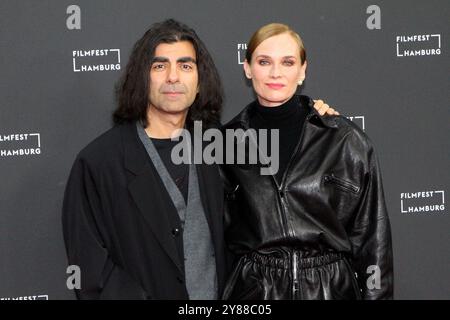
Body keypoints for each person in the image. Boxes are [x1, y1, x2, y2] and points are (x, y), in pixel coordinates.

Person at [62, 19, 337, 300]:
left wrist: (312, 115)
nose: (173, 77)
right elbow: (90, 268)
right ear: (141, 77)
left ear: (198, 80)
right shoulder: (99, 164)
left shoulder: (221, 146)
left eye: (185, 65)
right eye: (159, 66)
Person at [221, 23, 393, 300]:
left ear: (302, 71)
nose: (275, 73)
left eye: (287, 62)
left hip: (332, 290)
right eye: (264, 62)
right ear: (248, 68)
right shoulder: (224, 144)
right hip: (255, 293)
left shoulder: (345, 140)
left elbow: (373, 242)